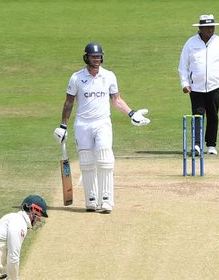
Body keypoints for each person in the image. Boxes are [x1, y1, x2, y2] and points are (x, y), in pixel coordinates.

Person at [54, 42, 150, 213]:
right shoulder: (76, 78)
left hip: (102, 122)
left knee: (105, 158)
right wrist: (63, 125)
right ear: (86, 58)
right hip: (83, 124)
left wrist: (131, 113)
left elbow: (116, 100)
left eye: (98, 56)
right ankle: (91, 200)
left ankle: (106, 200)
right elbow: (69, 103)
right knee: (86, 161)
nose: (96, 59)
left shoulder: (109, 76)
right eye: (93, 57)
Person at [178, 14, 219, 157]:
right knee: (198, 116)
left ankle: (211, 145)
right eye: (207, 27)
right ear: (200, 28)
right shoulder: (190, 43)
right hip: (196, 87)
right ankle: (197, 145)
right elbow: (183, 66)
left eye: (212, 27)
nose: (210, 30)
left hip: (215, 86)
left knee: (213, 115)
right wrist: (184, 83)